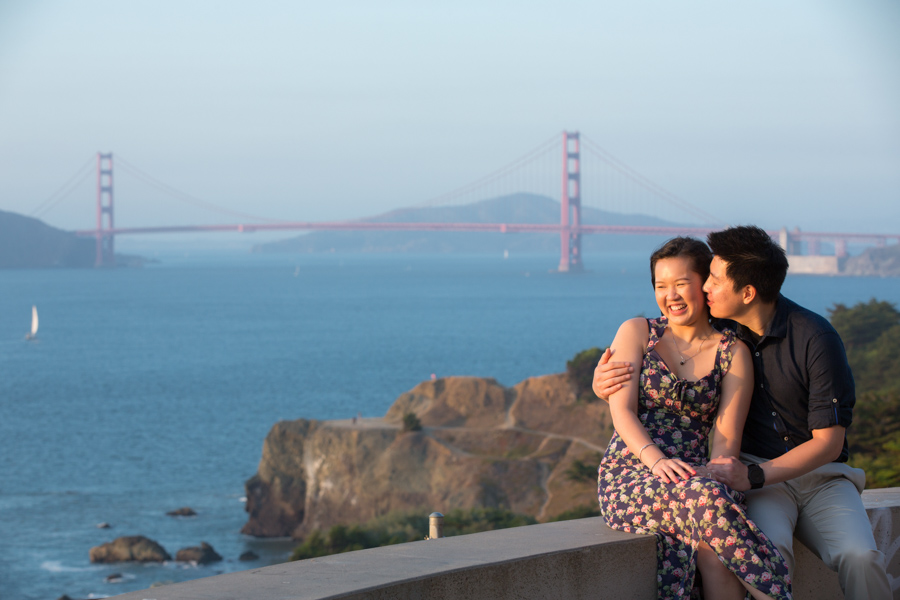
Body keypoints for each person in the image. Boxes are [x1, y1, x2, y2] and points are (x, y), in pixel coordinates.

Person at [594, 226, 891, 600]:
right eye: (660, 285)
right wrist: (602, 384)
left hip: (789, 475)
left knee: (856, 556)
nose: (695, 292)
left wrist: (740, 474)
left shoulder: (796, 339)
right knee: (758, 542)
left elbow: (818, 443)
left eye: (707, 280)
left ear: (743, 292)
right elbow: (627, 402)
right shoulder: (663, 329)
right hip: (690, 472)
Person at [598, 236, 791, 600]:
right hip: (631, 471)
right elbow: (620, 410)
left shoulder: (733, 353)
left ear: (704, 286)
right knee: (711, 506)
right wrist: (656, 460)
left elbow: (725, 443)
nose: (670, 295)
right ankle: (777, 594)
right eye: (661, 286)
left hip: (696, 476)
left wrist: (704, 475)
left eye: (681, 284)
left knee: (713, 551)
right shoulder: (637, 332)